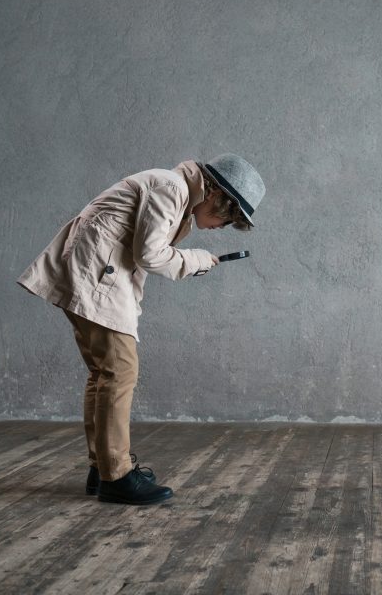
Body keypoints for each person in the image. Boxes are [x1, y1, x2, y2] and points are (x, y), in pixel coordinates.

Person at [16, 154, 265, 505]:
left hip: (94, 273)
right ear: (216, 196)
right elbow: (150, 254)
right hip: (94, 276)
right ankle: (115, 476)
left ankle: (103, 467)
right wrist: (194, 261)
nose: (221, 228)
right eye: (227, 219)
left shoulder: (175, 193)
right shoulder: (172, 189)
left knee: (105, 373)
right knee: (119, 371)